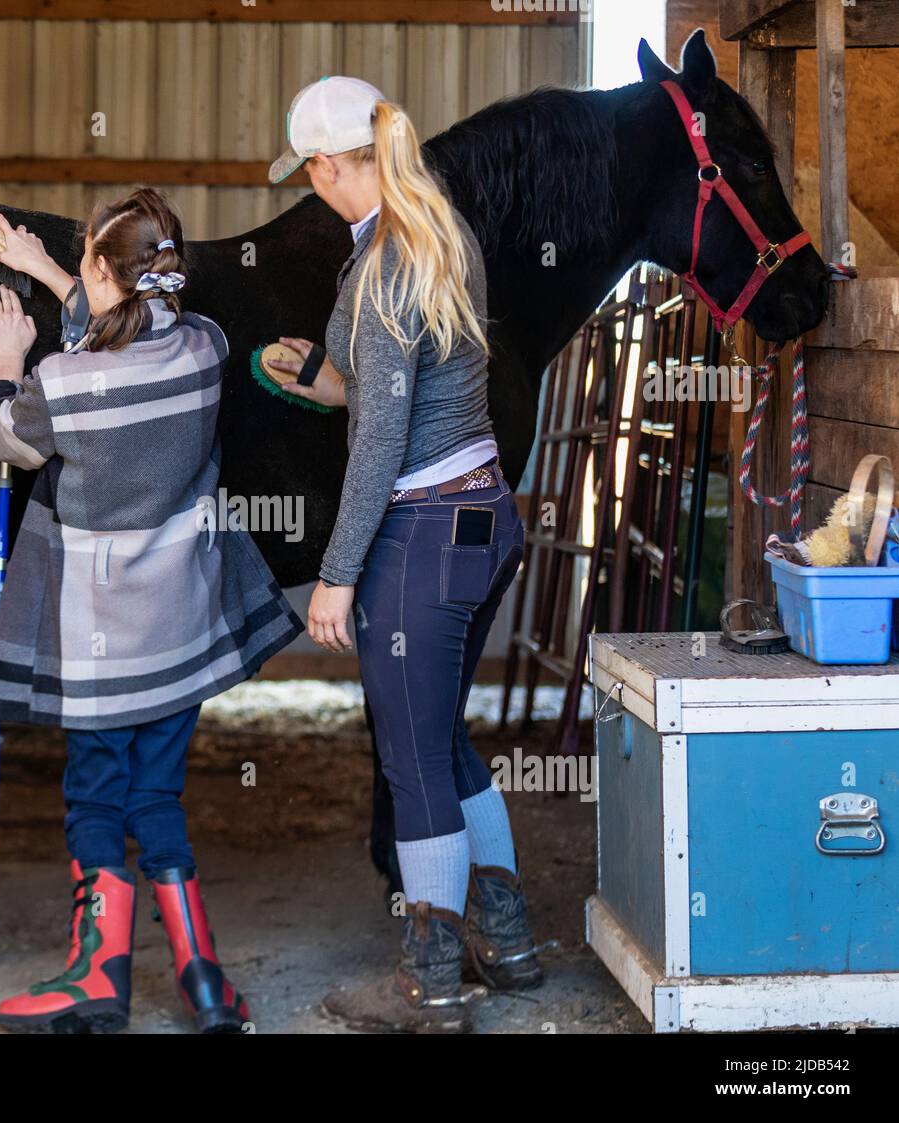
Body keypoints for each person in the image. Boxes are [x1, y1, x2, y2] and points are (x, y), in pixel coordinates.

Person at [0, 187, 302, 1034]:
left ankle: (97, 978)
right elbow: (125, 321)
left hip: (99, 638)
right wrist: (52, 270)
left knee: (95, 797)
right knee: (157, 796)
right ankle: (203, 982)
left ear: (98, 268)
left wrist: (7, 362)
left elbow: (8, 436)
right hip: (181, 630)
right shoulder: (203, 349)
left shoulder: (62, 380)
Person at [266, 77, 543, 1031]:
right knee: (442, 735)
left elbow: (383, 441)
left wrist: (336, 576)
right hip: (482, 515)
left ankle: (430, 977)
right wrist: (329, 377)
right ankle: (504, 936)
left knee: (413, 754)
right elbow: (405, 389)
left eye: (309, 171)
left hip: (423, 532)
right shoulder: (434, 231)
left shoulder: (381, 264)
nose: (310, 184)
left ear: (328, 166)